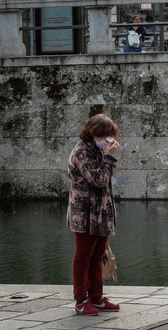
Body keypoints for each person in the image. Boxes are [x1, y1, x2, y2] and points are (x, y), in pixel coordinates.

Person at [67, 114, 121, 316]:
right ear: (94, 133)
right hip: (85, 212)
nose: (107, 139)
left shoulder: (97, 149)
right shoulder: (82, 151)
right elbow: (98, 179)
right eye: (105, 135)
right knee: (83, 257)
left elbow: (103, 180)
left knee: (98, 256)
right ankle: (81, 300)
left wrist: (106, 155)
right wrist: (109, 157)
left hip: (100, 211)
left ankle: (96, 298)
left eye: (109, 135)